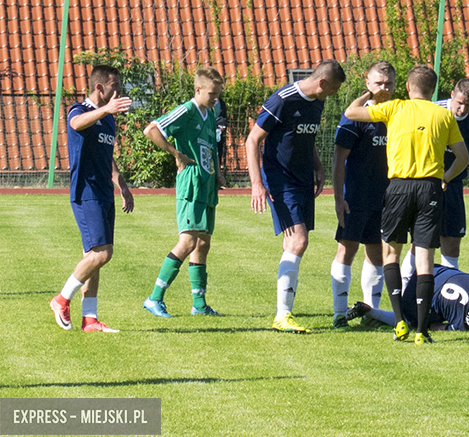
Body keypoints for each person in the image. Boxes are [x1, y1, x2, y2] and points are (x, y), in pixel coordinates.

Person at [345, 65, 469, 345]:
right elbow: (462, 158)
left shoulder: (394, 107)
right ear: (433, 90)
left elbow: (351, 112)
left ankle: (399, 320)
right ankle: (422, 330)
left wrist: (370, 92)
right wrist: (446, 178)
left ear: (409, 87)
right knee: (424, 258)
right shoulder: (444, 115)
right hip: (430, 187)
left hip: (399, 186)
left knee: (391, 253)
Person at [246, 60, 346, 333]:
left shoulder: (317, 101)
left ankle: (284, 311)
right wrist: (257, 184)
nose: (334, 95)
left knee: (295, 242)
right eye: (334, 89)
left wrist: (318, 166)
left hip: (303, 179)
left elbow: (306, 137)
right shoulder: (282, 100)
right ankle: (282, 315)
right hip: (280, 180)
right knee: (298, 241)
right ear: (322, 82)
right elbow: (252, 139)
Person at [50, 65, 134, 333]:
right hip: (86, 193)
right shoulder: (80, 110)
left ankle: (90, 319)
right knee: (102, 254)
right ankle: (62, 299)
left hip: (104, 193)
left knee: (93, 256)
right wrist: (105, 110)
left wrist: (121, 183)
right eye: (115, 86)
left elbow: (107, 156)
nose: (118, 91)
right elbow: (75, 124)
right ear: (100, 88)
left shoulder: (108, 119)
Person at [142, 67, 226, 318]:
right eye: (212, 93)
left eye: (218, 94)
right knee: (188, 241)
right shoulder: (187, 111)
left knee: (203, 243)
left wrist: (218, 173)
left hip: (207, 185)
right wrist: (176, 153)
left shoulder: (209, 115)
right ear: (197, 90)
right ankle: (154, 298)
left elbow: (211, 147)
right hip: (191, 185)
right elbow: (152, 129)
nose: (215, 99)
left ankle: (199, 305)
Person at [330, 62, 396, 329]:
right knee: (347, 250)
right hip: (355, 196)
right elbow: (338, 160)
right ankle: (339, 313)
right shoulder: (355, 116)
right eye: (378, 83)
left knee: (378, 253)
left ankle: (372, 313)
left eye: (389, 83)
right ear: (367, 84)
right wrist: (338, 197)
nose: (384, 88)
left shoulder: (396, 115)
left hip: (386, 198)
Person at [400, 78, 469, 274]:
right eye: (460, 102)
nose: (463, 109)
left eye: (468, 104)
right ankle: (406, 288)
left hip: (453, 186)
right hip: (426, 184)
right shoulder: (433, 110)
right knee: (421, 242)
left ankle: (446, 296)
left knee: (452, 242)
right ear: (452, 96)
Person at [345, 264, 469, 333]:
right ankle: (372, 312)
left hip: (432, 270)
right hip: (416, 299)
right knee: (415, 323)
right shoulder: (465, 323)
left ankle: (405, 276)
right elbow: (436, 327)